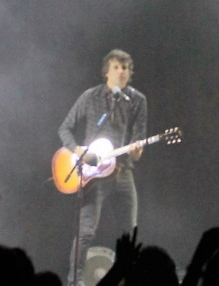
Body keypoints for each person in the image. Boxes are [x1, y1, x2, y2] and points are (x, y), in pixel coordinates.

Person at [58, 49, 148, 286]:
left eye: (126, 68)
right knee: (86, 231)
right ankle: (75, 282)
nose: (121, 72)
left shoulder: (138, 101)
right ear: (106, 71)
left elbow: (138, 146)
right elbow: (64, 129)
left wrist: (138, 150)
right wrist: (78, 151)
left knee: (130, 234)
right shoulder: (90, 97)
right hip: (94, 175)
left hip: (123, 172)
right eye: (117, 67)